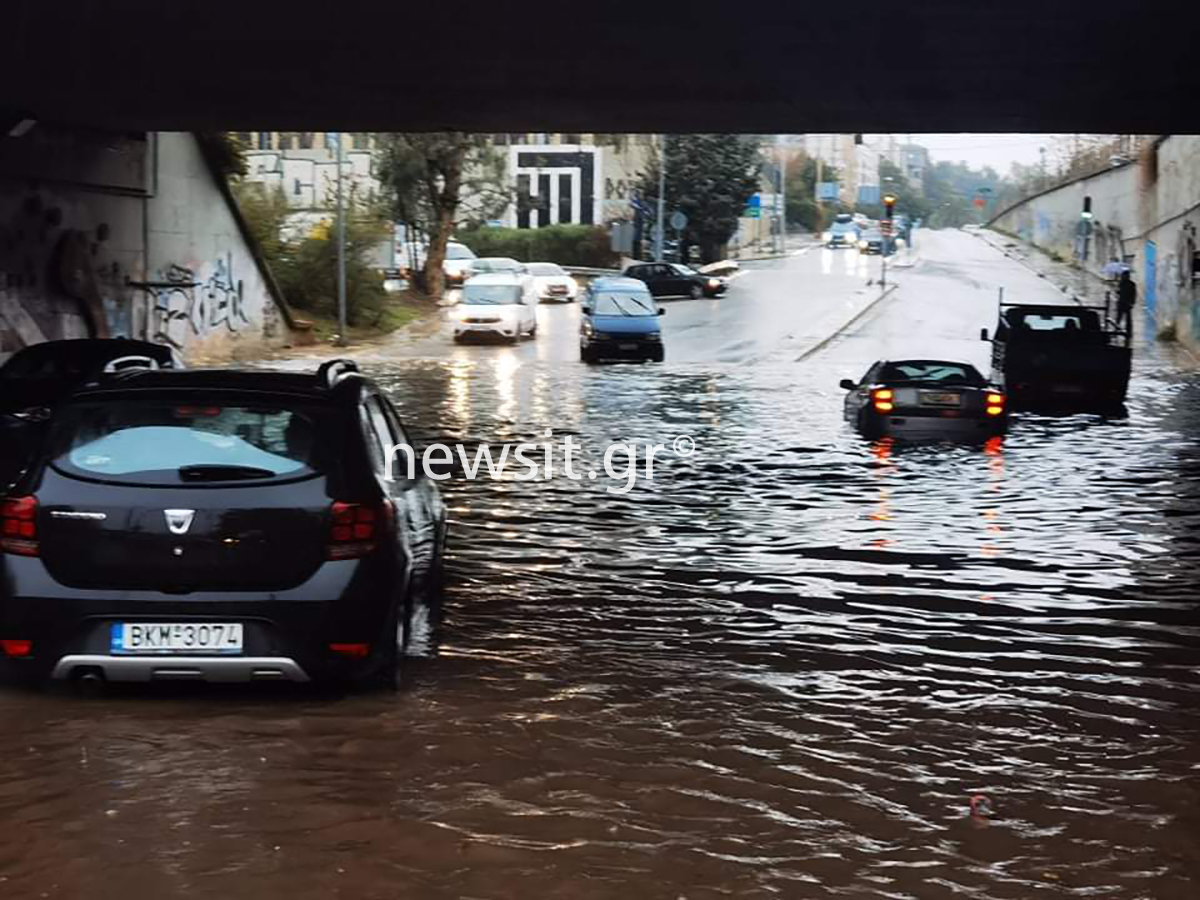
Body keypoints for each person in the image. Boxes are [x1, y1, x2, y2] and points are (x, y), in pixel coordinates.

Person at [1115, 270, 1137, 335]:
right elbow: (1119, 291)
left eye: (1125, 276)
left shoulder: (1131, 284)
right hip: (1122, 302)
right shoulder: (1121, 283)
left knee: (1127, 318)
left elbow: (1134, 294)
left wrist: (1132, 302)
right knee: (1120, 317)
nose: (1123, 277)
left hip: (1126, 303)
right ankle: (1118, 328)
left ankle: (1128, 331)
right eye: (1123, 276)